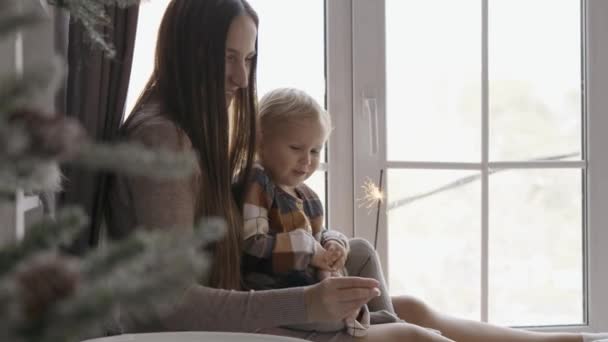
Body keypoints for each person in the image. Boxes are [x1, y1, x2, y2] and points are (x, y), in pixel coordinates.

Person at [105, 0, 608, 341]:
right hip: (223, 319)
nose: (241, 77)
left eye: (249, 59)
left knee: (400, 299)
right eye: (226, 58)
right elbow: (167, 302)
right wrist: (307, 304)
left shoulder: (200, 131)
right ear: (186, 55)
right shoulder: (163, 142)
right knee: (413, 335)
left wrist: (325, 252)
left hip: (246, 291)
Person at [241, 88, 378, 337]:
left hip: (313, 282)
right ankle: (358, 321)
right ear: (261, 142)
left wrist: (333, 243)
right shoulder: (257, 180)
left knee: (362, 250)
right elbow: (252, 245)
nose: (307, 160)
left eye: (315, 151)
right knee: (330, 316)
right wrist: (309, 251)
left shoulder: (306, 196)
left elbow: (318, 234)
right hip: (284, 294)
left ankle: (382, 319)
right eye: (296, 148)